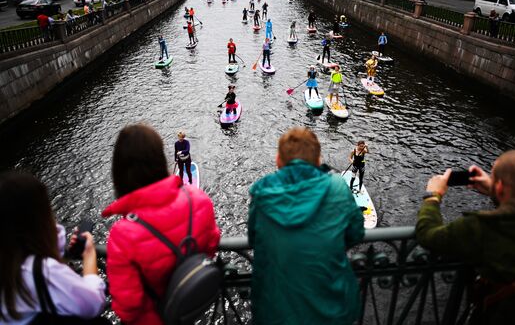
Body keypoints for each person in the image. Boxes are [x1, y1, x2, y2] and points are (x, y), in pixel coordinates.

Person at [102, 124, 221, 325]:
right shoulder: (198, 200)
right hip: (192, 306)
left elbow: (128, 306)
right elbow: (211, 246)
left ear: (119, 172)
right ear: (159, 159)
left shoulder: (122, 233)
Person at [416, 150, 515, 324]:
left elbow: (428, 235)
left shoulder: (482, 226)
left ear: (500, 187)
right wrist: (495, 190)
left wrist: (433, 196)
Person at [248, 127, 365, 325]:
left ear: (278, 160)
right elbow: (356, 232)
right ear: (318, 160)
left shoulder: (262, 194)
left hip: (276, 311)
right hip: (330, 308)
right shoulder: (337, 187)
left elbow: (254, 239)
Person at [0, 172, 107, 324]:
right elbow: (94, 304)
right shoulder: (42, 271)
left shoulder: (9, 263)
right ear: (39, 217)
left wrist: (57, 250)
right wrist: (89, 256)